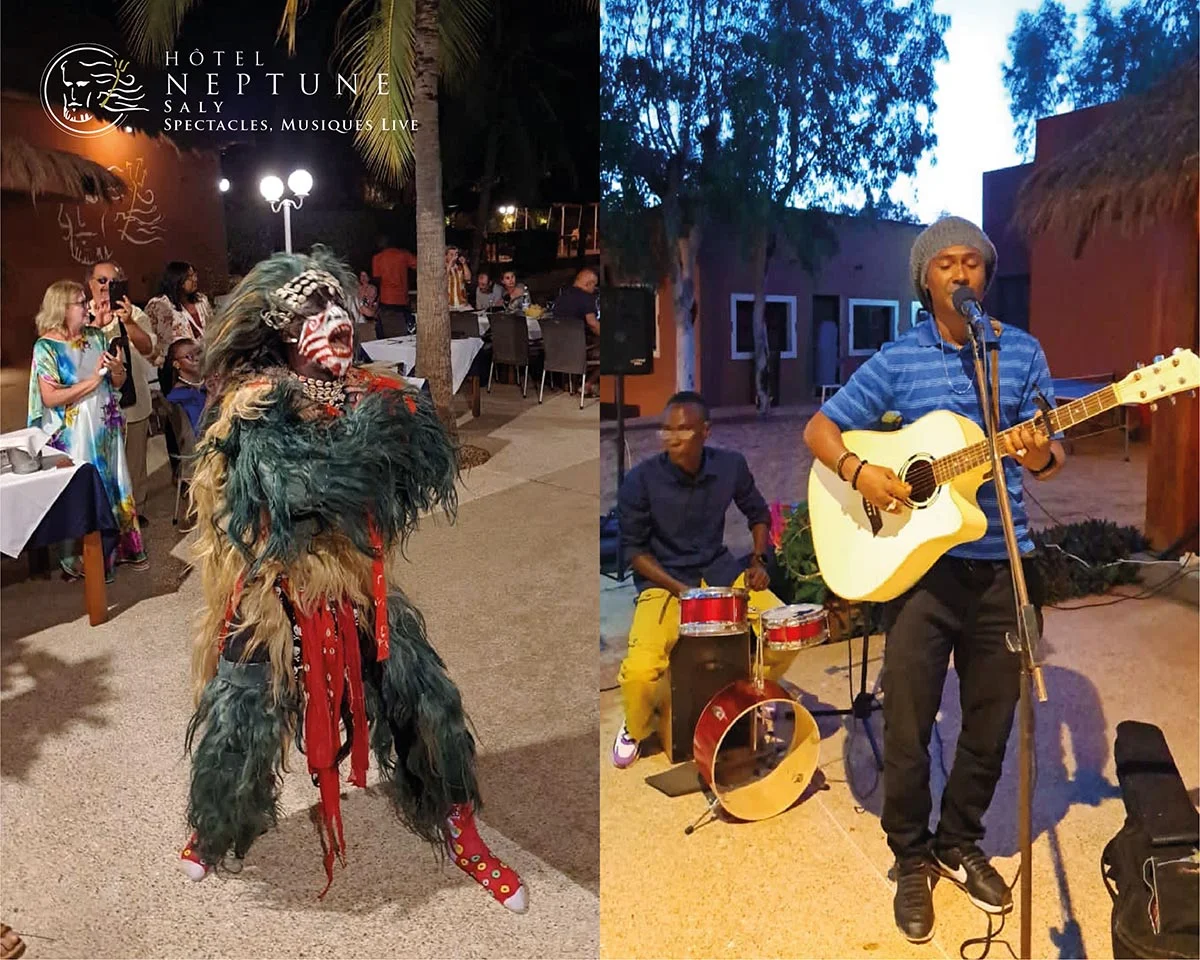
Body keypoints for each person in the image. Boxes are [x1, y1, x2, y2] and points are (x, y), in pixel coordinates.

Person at [177, 245, 526, 913]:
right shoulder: (251, 408)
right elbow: (301, 495)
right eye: (312, 310)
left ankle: (461, 829)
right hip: (270, 598)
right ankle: (213, 824)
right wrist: (372, 433)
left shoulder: (358, 392)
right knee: (240, 720)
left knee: (428, 703)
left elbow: (416, 475)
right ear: (281, 330)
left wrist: (399, 419)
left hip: (354, 593)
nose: (335, 321)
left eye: (338, 309)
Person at [802, 216, 1065, 943]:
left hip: (1002, 564)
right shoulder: (899, 358)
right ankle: (911, 860)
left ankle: (958, 841)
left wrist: (1039, 451)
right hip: (920, 570)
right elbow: (821, 430)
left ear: (986, 275)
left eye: (973, 262)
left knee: (989, 723)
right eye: (946, 263)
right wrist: (864, 471)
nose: (961, 274)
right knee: (911, 725)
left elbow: (1052, 457)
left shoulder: (1023, 353)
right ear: (926, 279)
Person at [612, 391, 797, 768]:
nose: (672, 437)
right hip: (665, 583)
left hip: (720, 572)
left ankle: (749, 697)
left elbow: (758, 514)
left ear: (705, 432)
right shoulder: (640, 480)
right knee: (640, 670)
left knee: (785, 630)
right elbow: (633, 551)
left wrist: (759, 560)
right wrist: (683, 593)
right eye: (666, 429)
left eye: (682, 429)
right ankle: (634, 726)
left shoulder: (730, 466)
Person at [27, 280, 148, 580]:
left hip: (105, 425)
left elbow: (116, 382)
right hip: (75, 434)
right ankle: (90, 560)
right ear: (62, 309)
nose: (88, 306)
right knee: (86, 492)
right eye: (80, 302)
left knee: (116, 484)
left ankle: (123, 549)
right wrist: (92, 382)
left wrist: (118, 370)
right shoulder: (46, 347)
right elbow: (50, 397)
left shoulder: (95, 336)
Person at [87, 259, 157, 525]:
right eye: (101, 281)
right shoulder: (81, 315)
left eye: (112, 282)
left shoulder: (134, 314)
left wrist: (127, 322)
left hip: (134, 403)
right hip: (97, 410)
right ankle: (106, 518)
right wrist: (95, 323)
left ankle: (134, 517)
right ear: (90, 284)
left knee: (134, 463)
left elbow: (149, 348)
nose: (106, 287)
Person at [552, 268, 601, 397]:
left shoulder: (561, 297)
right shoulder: (586, 298)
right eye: (594, 285)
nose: (594, 289)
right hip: (579, 348)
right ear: (589, 284)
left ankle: (571, 383)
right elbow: (592, 323)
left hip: (557, 347)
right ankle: (588, 384)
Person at [145, 261, 212, 350]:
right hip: (174, 358)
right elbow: (148, 335)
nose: (195, 279)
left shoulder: (201, 300)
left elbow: (212, 326)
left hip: (204, 353)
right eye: (189, 277)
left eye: (195, 275)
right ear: (177, 280)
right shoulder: (158, 305)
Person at [371, 234, 417, 336]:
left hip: (386, 300)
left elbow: (376, 279)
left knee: (386, 333)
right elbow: (418, 264)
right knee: (406, 331)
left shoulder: (378, 258)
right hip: (402, 299)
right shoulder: (404, 255)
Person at [163, 338, 207, 437]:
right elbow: (200, 430)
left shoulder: (208, 385)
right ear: (176, 364)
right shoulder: (178, 397)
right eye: (190, 356)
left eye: (199, 353)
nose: (197, 358)